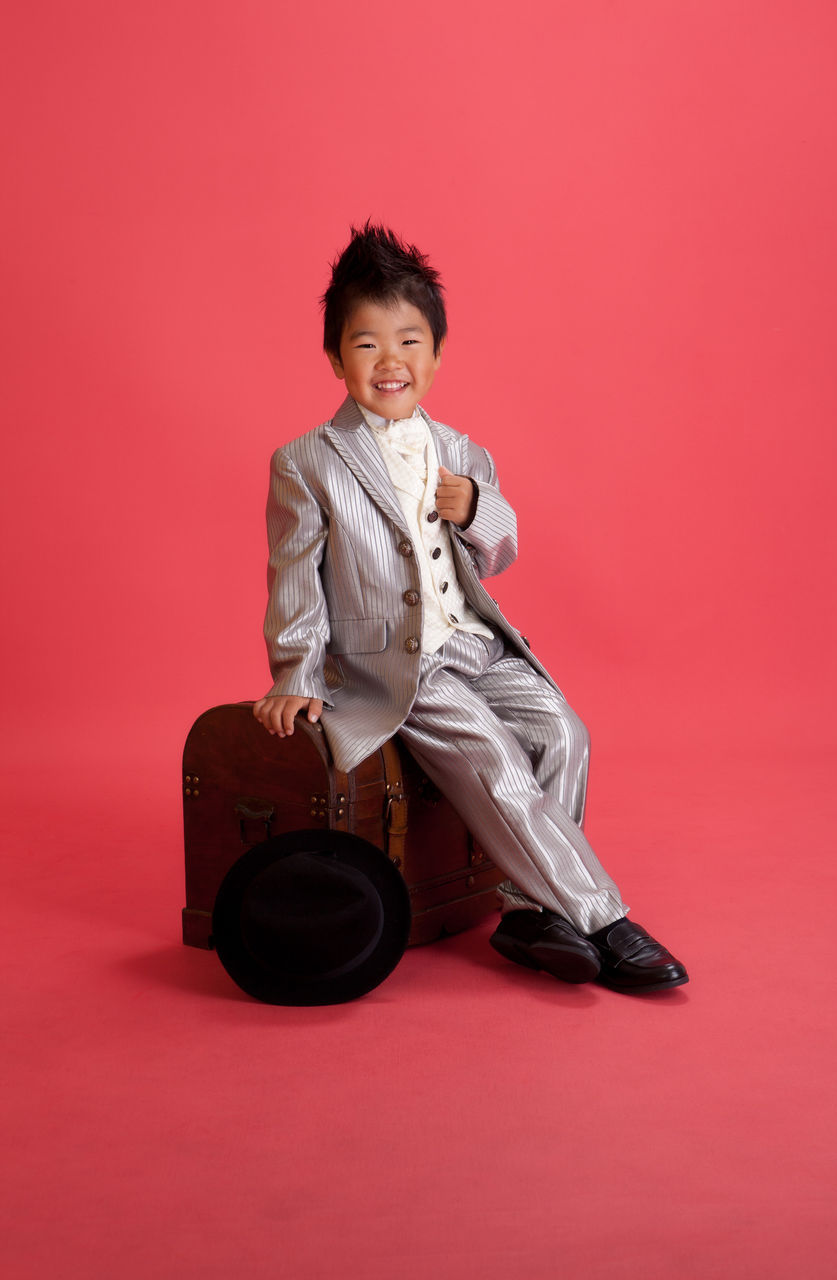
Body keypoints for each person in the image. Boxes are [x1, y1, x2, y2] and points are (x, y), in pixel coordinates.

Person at [253, 223, 687, 993]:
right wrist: (296, 672)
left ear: (437, 354)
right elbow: (295, 576)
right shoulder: (306, 461)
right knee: (493, 760)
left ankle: (528, 915)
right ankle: (601, 918)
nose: (390, 362)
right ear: (335, 359)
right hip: (395, 664)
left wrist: (477, 508)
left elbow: (501, 550)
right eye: (366, 345)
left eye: (409, 342)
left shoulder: (463, 451)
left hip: (475, 643)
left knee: (562, 731)